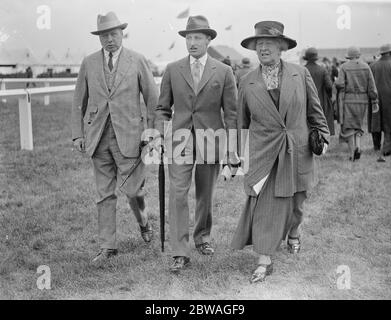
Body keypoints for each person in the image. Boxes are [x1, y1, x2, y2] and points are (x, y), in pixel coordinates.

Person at [231, 20, 329, 283]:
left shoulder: (300, 73)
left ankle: (294, 233)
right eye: (258, 44)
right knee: (265, 205)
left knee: (296, 204)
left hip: (297, 150)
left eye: (269, 43)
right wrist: (235, 154)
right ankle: (265, 259)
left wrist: (323, 135)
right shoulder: (247, 80)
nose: (263, 48)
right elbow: (241, 122)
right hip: (264, 152)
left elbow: (315, 110)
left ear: (282, 47)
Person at [71, 12, 158, 263]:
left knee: (133, 192)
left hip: (131, 138)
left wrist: (152, 135)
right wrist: (78, 134)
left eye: (113, 34)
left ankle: (143, 223)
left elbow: (153, 102)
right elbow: (79, 102)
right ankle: (108, 246)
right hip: (97, 138)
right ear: (99, 38)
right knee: (104, 194)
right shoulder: (88, 63)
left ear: (122, 34)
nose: (109, 39)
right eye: (104, 35)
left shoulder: (137, 60)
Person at [154, 15, 238, 273]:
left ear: (208, 39)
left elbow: (232, 114)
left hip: (211, 140)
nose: (192, 42)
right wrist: (158, 135)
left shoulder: (223, 71)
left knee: (205, 195)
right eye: (189, 37)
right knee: (178, 194)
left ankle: (202, 237)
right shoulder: (172, 68)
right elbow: (162, 108)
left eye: (198, 37)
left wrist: (231, 150)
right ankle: (180, 252)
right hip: (179, 141)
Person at [335, 46, 379, 161]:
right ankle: (358, 148)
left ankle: (351, 154)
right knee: (358, 126)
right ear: (358, 55)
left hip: (348, 100)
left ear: (349, 56)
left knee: (349, 127)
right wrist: (374, 100)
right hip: (363, 100)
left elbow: (339, 84)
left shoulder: (344, 67)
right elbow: (372, 87)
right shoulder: (366, 66)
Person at [304, 47, 335, 135]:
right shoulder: (322, 70)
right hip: (321, 101)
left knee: (308, 127)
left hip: (305, 102)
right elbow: (329, 86)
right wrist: (328, 96)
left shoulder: (301, 70)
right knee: (322, 126)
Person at [370, 43, 391, 162]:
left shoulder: (373, 65)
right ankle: (387, 148)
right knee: (389, 123)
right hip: (389, 98)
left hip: (375, 98)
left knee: (376, 122)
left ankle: (376, 146)